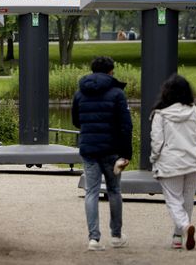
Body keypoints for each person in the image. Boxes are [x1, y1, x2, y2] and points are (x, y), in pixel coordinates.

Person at [149, 74, 196, 250]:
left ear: (166, 93)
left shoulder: (160, 114)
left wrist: (154, 158)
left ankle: (183, 227)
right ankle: (177, 237)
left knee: (174, 200)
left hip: (169, 163)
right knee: (187, 201)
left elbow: (157, 142)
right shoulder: (195, 112)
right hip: (192, 162)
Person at [71, 56, 132, 251]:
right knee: (114, 190)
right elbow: (126, 126)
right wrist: (126, 153)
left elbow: (76, 121)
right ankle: (116, 235)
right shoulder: (117, 93)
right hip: (111, 150)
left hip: (88, 149)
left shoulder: (80, 93)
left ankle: (94, 239)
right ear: (110, 72)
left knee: (91, 192)